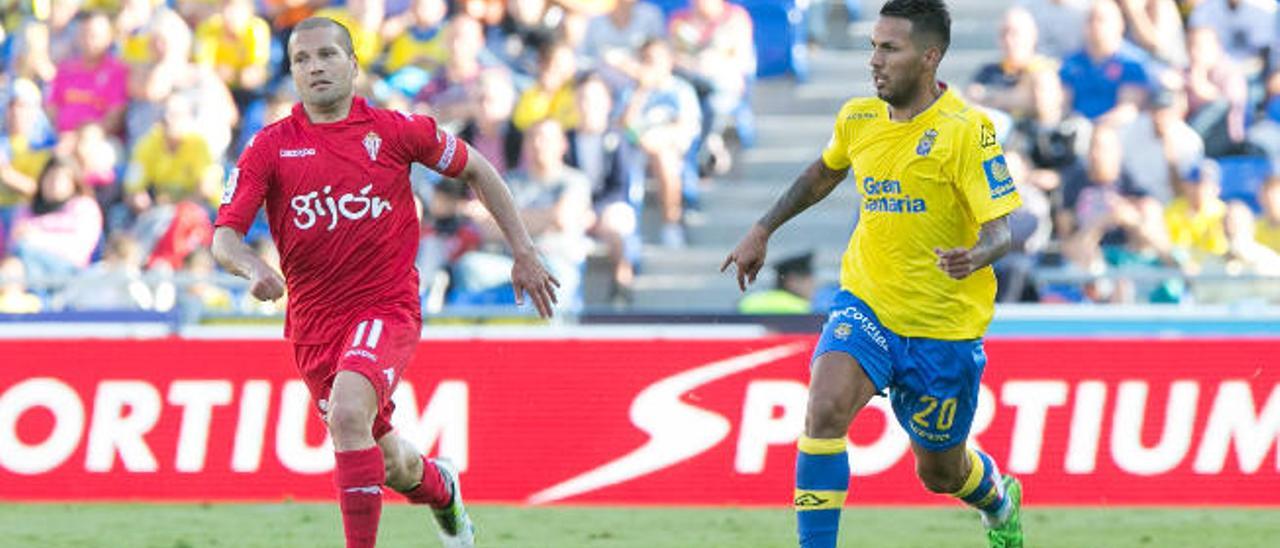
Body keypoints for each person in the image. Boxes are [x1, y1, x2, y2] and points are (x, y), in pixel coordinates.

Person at [210, 17, 559, 548]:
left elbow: (479, 171)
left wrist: (524, 251)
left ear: (353, 64)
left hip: (385, 307)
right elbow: (225, 238)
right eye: (301, 60)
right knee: (388, 459)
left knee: (349, 412)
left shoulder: (396, 131)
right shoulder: (269, 147)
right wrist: (254, 268)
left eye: (327, 54)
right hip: (313, 327)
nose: (315, 67)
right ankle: (443, 489)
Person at [720, 2, 1024, 547]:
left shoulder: (966, 131)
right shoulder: (858, 118)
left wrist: (975, 256)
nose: (875, 61)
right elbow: (823, 173)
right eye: (872, 47)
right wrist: (763, 228)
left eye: (890, 48)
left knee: (940, 472)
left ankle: (998, 500)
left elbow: (1002, 231)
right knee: (826, 405)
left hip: (942, 328)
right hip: (867, 303)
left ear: (929, 57)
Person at [737, 251, 817, 314]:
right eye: (809, 281)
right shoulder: (804, 310)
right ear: (792, 281)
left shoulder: (748, 303)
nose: (813, 285)